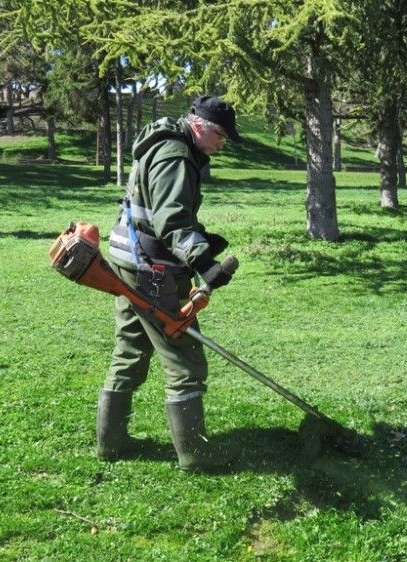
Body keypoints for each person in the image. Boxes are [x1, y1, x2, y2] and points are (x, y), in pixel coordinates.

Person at [95, 95, 242, 473]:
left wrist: (202, 238)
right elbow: (172, 220)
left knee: (130, 350)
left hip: (128, 260)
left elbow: (155, 211)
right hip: (152, 270)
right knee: (185, 361)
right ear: (199, 125)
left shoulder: (165, 145)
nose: (221, 145)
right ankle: (195, 455)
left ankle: (111, 445)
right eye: (220, 136)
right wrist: (204, 263)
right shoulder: (176, 155)